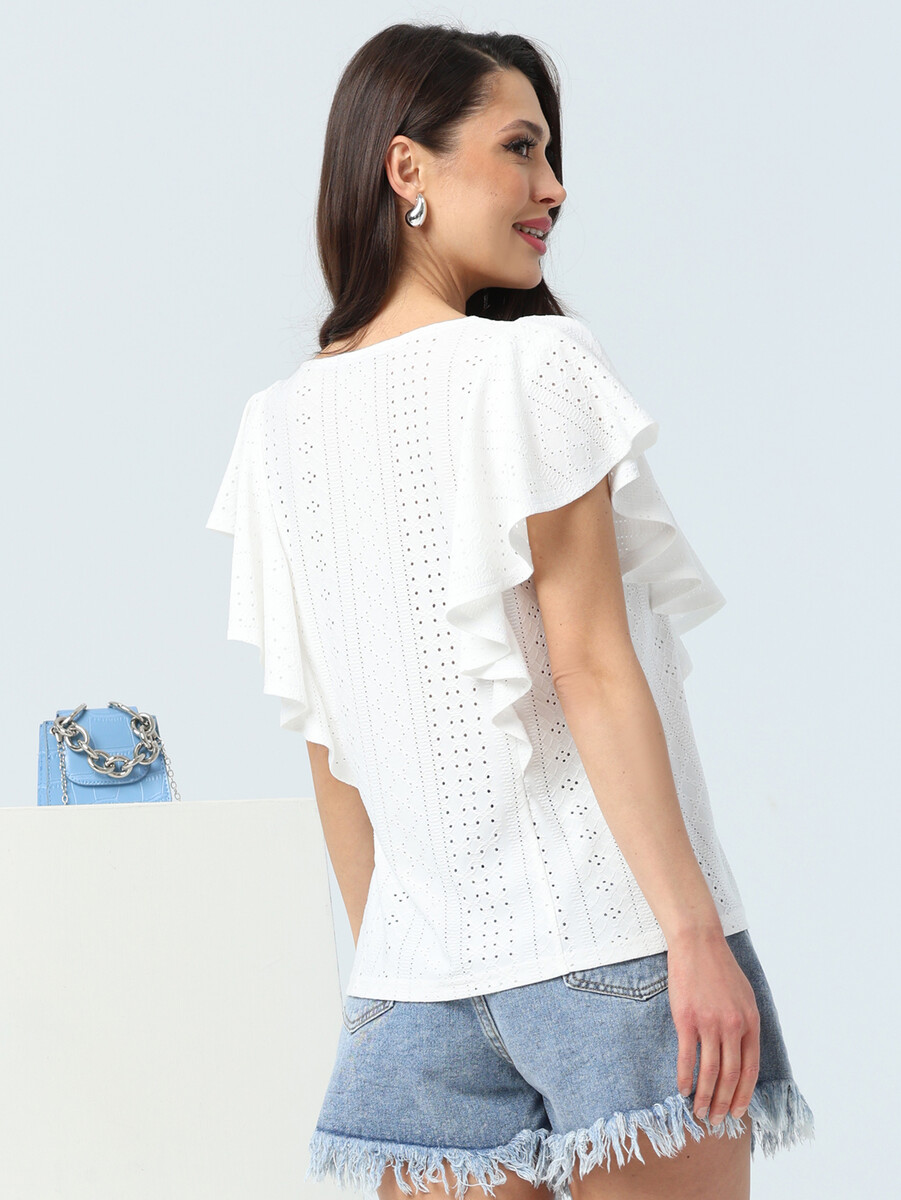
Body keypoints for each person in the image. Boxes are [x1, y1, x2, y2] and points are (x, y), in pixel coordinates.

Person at [205, 21, 815, 1200]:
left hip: (415, 982)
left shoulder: (274, 429)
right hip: (618, 944)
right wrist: (694, 936)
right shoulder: (527, 368)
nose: (553, 187)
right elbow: (591, 667)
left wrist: (394, 971)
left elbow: (329, 745)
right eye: (519, 148)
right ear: (407, 167)